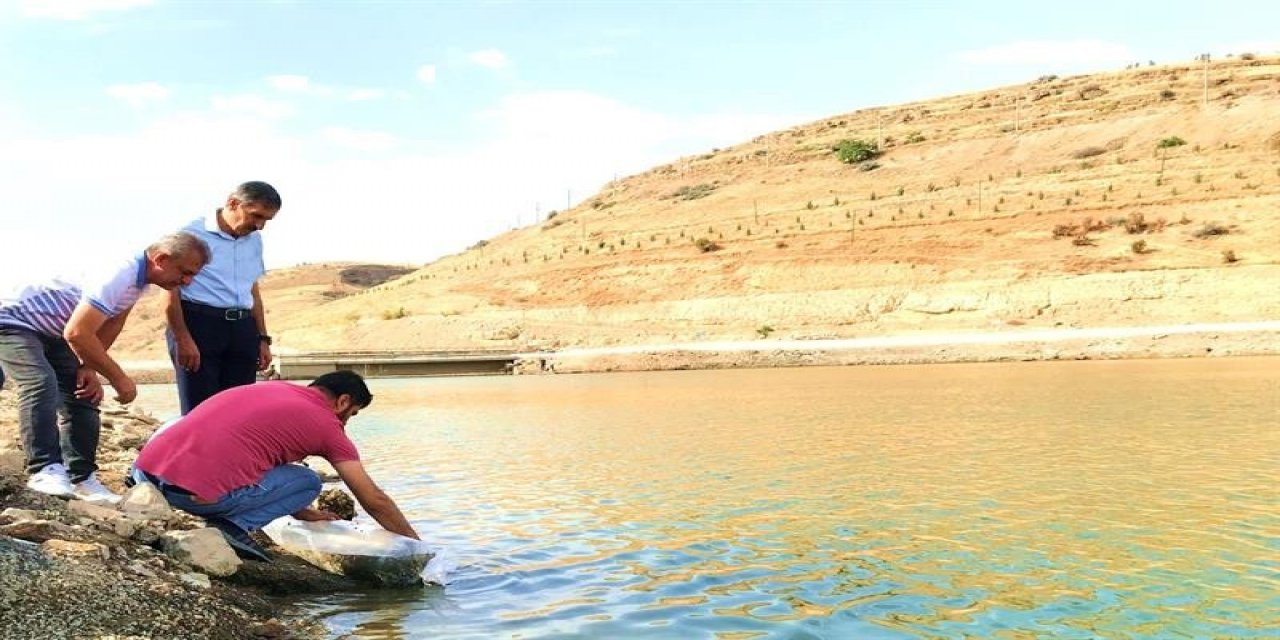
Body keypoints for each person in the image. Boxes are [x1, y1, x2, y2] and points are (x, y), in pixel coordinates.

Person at [0, 232, 211, 502]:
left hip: (54, 332)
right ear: (161, 259)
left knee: (84, 393)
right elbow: (77, 333)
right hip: (14, 321)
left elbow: (112, 323)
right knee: (40, 383)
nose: (187, 281)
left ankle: (82, 478)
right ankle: (44, 468)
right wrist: (119, 378)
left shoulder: (140, 281)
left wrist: (89, 367)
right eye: (185, 272)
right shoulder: (120, 273)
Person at [130, 370, 419, 561]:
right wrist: (416, 546)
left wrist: (304, 513)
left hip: (146, 474)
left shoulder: (273, 389)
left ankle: (143, 482)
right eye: (351, 414)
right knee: (308, 481)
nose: (345, 422)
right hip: (189, 496)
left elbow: (258, 451)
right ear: (343, 402)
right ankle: (231, 527)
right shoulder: (328, 426)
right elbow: (374, 499)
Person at [167, 180, 281, 415]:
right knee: (199, 412)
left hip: (242, 329)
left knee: (239, 412)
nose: (259, 226)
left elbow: (252, 289)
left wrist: (262, 338)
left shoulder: (255, 240)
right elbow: (170, 290)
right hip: (199, 326)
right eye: (256, 216)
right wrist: (182, 338)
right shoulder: (190, 235)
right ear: (233, 203)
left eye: (266, 220)